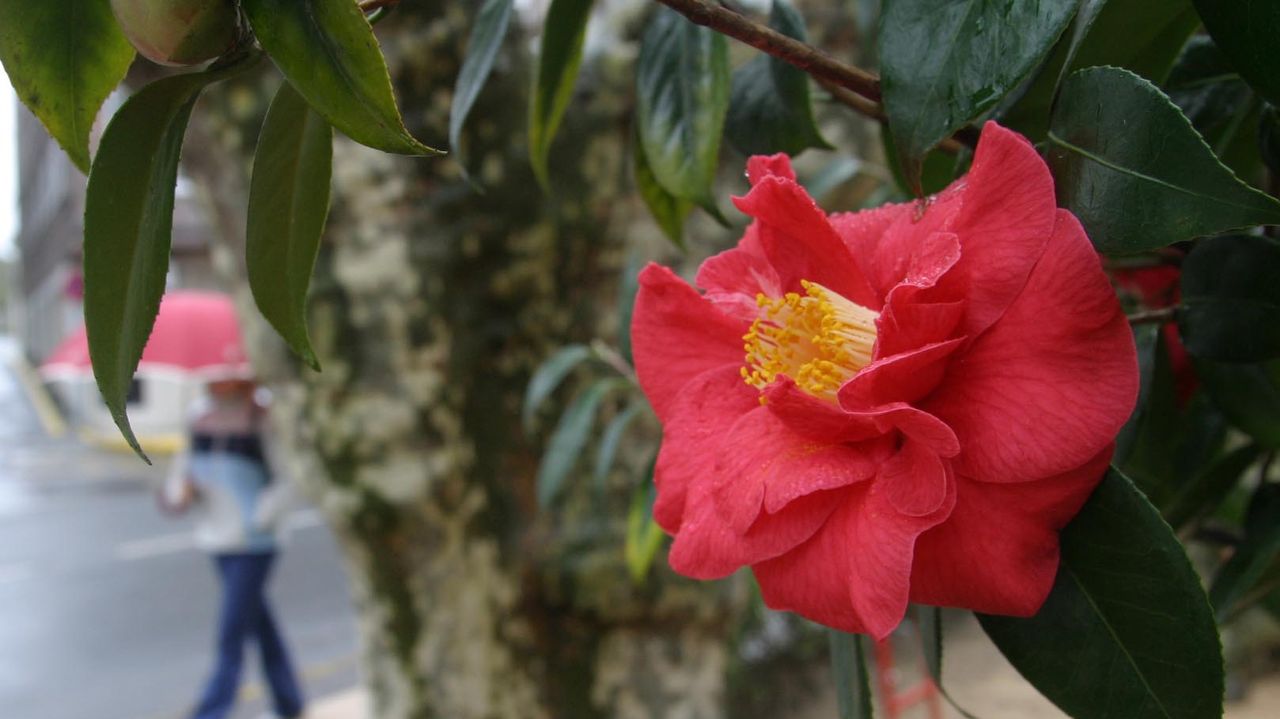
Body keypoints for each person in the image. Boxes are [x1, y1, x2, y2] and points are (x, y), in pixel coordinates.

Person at [161, 378, 305, 719]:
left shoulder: (263, 416)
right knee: (258, 623)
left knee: (232, 630)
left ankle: (212, 710)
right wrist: (182, 493)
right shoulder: (198, 415)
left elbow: (290, 476)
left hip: (254, 543)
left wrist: (259, 517)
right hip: (216, 537)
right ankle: (290, 702)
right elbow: (183, 468)